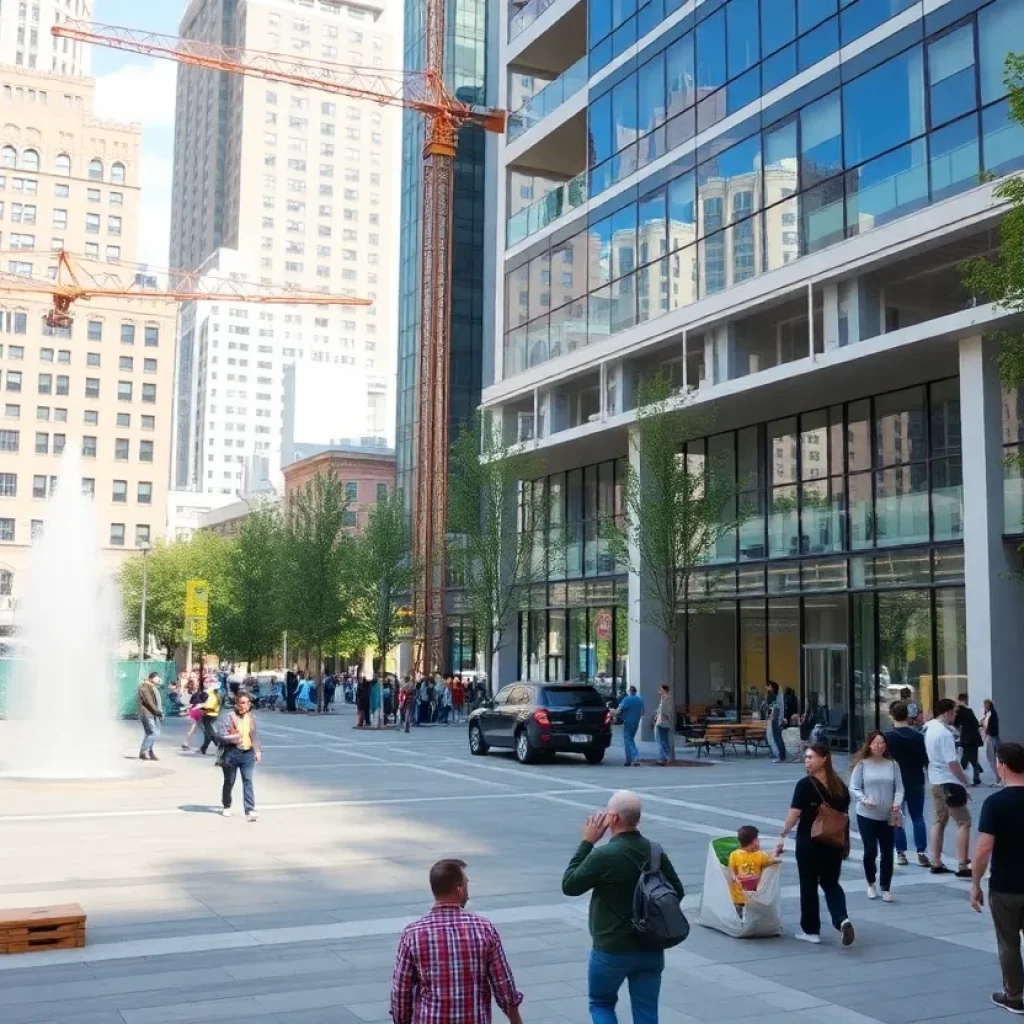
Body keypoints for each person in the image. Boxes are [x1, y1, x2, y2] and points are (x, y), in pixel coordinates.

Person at [562, 791, 683, 1024]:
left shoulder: (604, 855)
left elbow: (570, 885)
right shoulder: (654, 851)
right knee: (646, 1012)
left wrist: (587, 842)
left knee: (601, 1004)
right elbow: (677, 892)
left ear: (614, 818)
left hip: (611, 948)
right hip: (651, 945)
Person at [389, 858, 523, 1024]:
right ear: (459, 889)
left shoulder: (413, 934)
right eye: (467, 884)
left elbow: (401, 992)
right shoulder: (483, 929)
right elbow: (504, 986)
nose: (468, 891)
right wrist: (516, 1020)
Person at [775, 743, 855, 947]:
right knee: (831, 883)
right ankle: (842, 920)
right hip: (834, 842)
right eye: (806, 758)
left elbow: (794, 815)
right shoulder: (840, 787)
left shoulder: (805, 785)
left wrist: (782, 835)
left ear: (824, 759)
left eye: (811, 757)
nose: (807, 761)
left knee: (808, 884)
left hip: (809, 842)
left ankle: (811, 930)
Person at [970, 742, 1024, 1015]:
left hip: (1006, 886)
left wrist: (975, 883)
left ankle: (1014, 996)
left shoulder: (996, 803)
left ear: (1002, 767)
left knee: (1008, 942)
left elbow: (983, 849)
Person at [849, 731, 904, 903]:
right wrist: (864, 800)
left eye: (882, 743)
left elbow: (900, 788)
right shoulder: (862, 765)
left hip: (887, 814)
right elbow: (854, 787)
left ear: (885, 745)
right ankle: (871, 882)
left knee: (888, 852)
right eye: (875, 743)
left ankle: (886, 887)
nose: (879, 746)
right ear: (870, 745)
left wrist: (897, 803)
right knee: (870, 850)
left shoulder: (893, 765)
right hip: (866, 814)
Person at [923, 698, 973, 877]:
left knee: (939, 820)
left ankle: (935, 861)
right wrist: (965, 781)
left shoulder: (928, 727)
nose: (955, 715)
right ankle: (963, 865)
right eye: (954, 712)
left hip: (935, 780)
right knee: (964, 821)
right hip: (949, 781)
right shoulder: (944, 734)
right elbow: (952, 762)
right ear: (946, 712)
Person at [885, 700, 930, 867]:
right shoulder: (918, 736)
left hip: (895, 782)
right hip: (916, 779)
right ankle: (921, 852)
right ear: (908, 716)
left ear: (892, 716)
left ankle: (901, 853)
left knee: (897, 816)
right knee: (917, 816)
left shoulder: (888, 736)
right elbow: (925, 759)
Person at [217, 690, 261, 820]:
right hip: (232, 753)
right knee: (229, 781)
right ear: (236, 704)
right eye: (242, 703)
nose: (245, 706)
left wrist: (257, 750)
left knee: (248, 780)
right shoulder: (229, 716)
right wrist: (233, 737)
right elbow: (220, 735)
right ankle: (226, 805)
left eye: (247, 703)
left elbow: (254, 735)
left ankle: (250, 809)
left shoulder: (251, 717)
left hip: (247, 753)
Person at [728, 825, 779, 915]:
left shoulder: (734, 854)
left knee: (741, 914)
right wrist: (777, 854)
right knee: (753, 914)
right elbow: (771, 861)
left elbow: (731, 869)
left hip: (739, 896)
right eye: (758, 839)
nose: (759, 842)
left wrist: (734, 878)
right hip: (754, 895)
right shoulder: (759, 855)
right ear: (753, 842)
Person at [956, 693, 984, 786]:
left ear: (960, 700)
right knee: (970, 756)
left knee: (966, 758)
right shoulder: (969, 711)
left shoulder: (960, 711)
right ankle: (976, 775)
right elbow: (976, 723)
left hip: (967, 739)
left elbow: (955, 722)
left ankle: (965, 776)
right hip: (974, 738)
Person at [136, 672, 163, 762]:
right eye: (157, 678)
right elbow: (148, 701)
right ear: (152, 678)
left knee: (151, 733)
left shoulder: (153, 686)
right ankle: (144, 752)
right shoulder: (144, 686)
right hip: (147, 713)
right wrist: (156, 711)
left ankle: (150, 752)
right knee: (153, 733)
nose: (158, 680)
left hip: (154, 714)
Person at [616, 686, 644, 767]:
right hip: (636, 723)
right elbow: (643, 712)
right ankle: (628, 761)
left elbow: (619, 710)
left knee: (628, 740)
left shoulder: (626, 699)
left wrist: (614, 714)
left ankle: (635, 757)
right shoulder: (640, 699)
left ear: (629, 691)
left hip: (628, 722)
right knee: (629, 740)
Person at [765, 681, 787, 763]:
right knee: (777, 737)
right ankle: (780, 754)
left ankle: (780, 755)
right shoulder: (777, 696)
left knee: (777, 737)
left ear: (773, 687)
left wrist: (773, 717)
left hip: (775, 718)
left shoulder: (773, 696)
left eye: (769, 686)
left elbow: (772, 707)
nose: (767, 688)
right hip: (775, 718)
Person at [198, 679, 221, 756]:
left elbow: (210, 706)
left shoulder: (211, 695)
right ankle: (203, 748)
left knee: (211, 733)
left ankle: (219, 746)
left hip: (209, 715)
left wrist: (200, 707)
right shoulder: (215, 694)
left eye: (207, 682)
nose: (205, 684)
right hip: (212, 714)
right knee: (208, 732)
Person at [181, 679, 206, 751]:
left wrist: (186, 709)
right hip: (197, 711)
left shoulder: (190, 693)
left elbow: (188, 703)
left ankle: (186, 742)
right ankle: (186, 743)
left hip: (193, 711)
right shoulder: (196, 693)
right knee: (202, 729)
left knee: (196, 728)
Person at [981, 699, 1001, 785]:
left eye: (986, 704)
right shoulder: (988, 714)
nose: (984, 706)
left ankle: (999, 778)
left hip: (992, 738)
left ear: (989, 705)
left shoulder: (991, 714)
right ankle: (998, 777)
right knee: (992, 758)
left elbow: (990, 726)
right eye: (984, 704)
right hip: (990, 737)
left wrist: (986, 729)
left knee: (992, 758)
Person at [653, 684, 673, 765]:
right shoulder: (667, 698)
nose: (659, 691)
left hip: (661, 722)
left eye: (660, 689)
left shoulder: (666, 698)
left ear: (664, 690)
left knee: (659, 740)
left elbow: (664, 710)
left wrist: (660, 716)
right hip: (665, 722)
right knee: (664, 740)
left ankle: (663, 757)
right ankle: (666, 756)